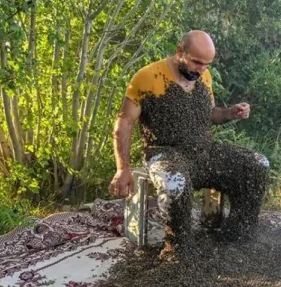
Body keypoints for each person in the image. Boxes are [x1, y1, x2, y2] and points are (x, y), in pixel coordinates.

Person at [108, 30, 270, 259]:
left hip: (204, 151)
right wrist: (122, 168)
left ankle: (238, 236)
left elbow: (209, 115)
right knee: (175, 183)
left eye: (207, 64)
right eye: (196, 62)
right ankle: (178, 251)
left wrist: (230, 113)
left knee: (257, 164)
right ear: (180, 52)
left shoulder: (204, 76)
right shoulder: (147, 77)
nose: (201, 69)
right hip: (164, 152)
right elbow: (124, 122)